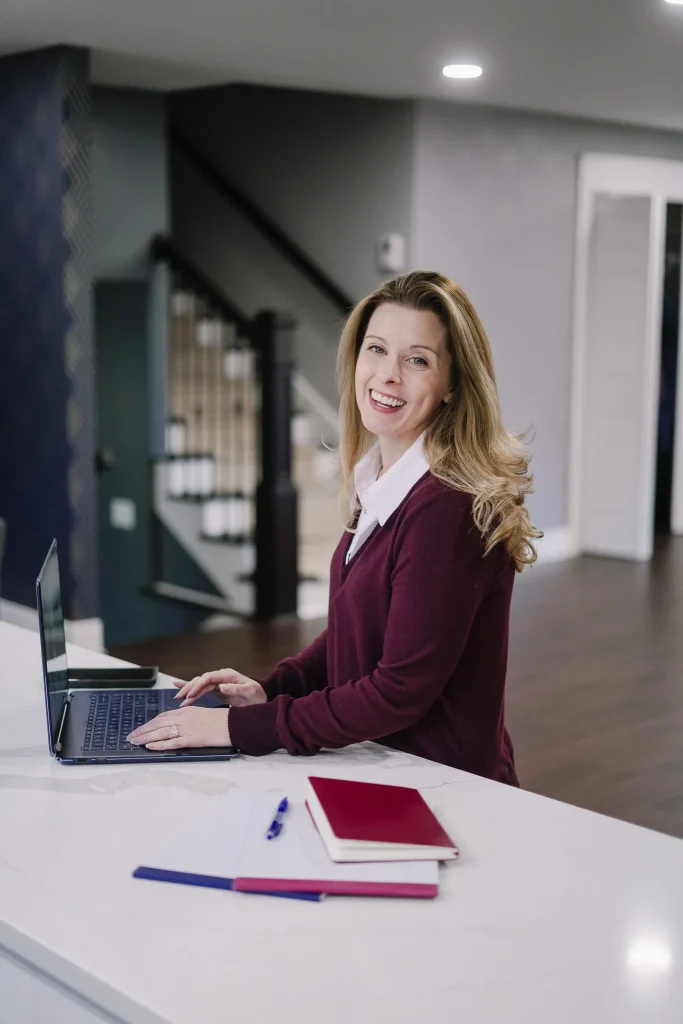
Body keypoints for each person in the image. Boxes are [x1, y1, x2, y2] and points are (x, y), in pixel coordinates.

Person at [129, 271, 541, 784]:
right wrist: (274, 689)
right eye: (376, 349)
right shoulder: (382, 479)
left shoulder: (445, 507)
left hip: (441, 785)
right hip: (385, 765)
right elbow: (361, 628)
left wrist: (238, 727)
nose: (387, 374)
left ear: (453, 386)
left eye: (417, 359)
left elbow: (397, 691)